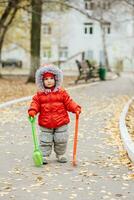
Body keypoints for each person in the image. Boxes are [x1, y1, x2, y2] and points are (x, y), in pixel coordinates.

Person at [28, 64, 81, 164]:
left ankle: (60, 154)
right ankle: (44, 155)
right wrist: (32, 111)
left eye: (51, 78)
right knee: (45, 140)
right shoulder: (40, 94)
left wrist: (75, 108)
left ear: (56, 79)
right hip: (45, 122)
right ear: (42, 81)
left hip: (61, 121)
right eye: (46, 79)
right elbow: (35, 103)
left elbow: (69, 102)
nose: (49, 81)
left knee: (61, 139)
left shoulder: (62, 93)